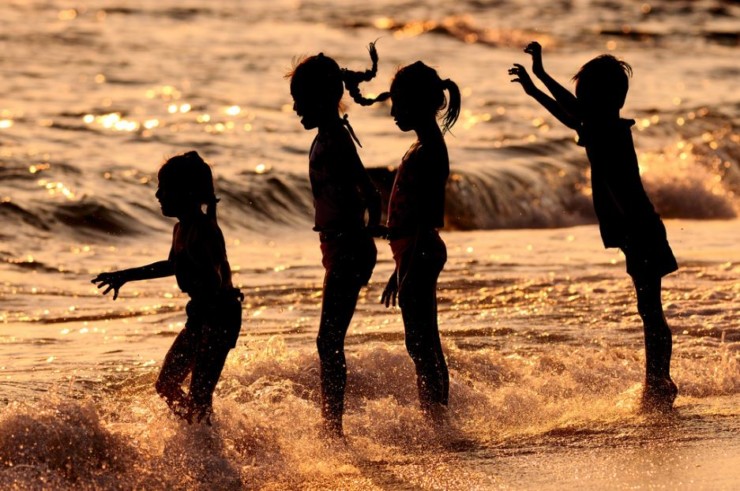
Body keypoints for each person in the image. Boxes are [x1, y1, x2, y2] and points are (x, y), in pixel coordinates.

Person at [509, 42, 679, 411]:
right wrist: (539, 77)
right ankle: (659, 380)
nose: (580, 102)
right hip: (638, 230)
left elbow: (571, 116)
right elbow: (574, 113)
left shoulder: (609, 131)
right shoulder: (603, 125)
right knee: (648, 307)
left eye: (585, 95)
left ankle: (660, 382)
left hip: (641, 230)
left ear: (607, 101)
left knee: (650, 309)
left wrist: (537, 84)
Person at [91, 151, 243, 424]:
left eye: (165, 188)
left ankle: (207, 446)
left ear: (187, 192)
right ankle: (198, 432)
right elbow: (171, 265)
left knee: (200, 395)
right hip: (200, 315)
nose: (158, 195)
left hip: (220, 316)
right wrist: (125, 275)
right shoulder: (180, 229)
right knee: (166, 385)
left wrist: (195, 273)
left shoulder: (205, 229)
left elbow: (215, 280)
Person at [289, 43, 386, 438]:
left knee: (327, 340)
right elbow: (369, 194)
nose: (297, 109)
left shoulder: (334, 140)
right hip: (340, 247)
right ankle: (333, 425)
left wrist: (367, 235)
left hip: (347, 248)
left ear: (327, 98)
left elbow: (371, 192)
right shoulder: (329, 136)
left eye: (301, 101)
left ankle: (333, 428)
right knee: (329, 340)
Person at [378, 61, 461, 422]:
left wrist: (408, 266)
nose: (394, 112)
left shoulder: (429, 150)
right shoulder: (422, 145)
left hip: (421, 249)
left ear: (418, 103)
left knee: (422, 343)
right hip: (414, 252)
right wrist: (398, 269)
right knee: (423, 340)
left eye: (399, 103)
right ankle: (436, 413)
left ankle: (436, 415)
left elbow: (426, 217)